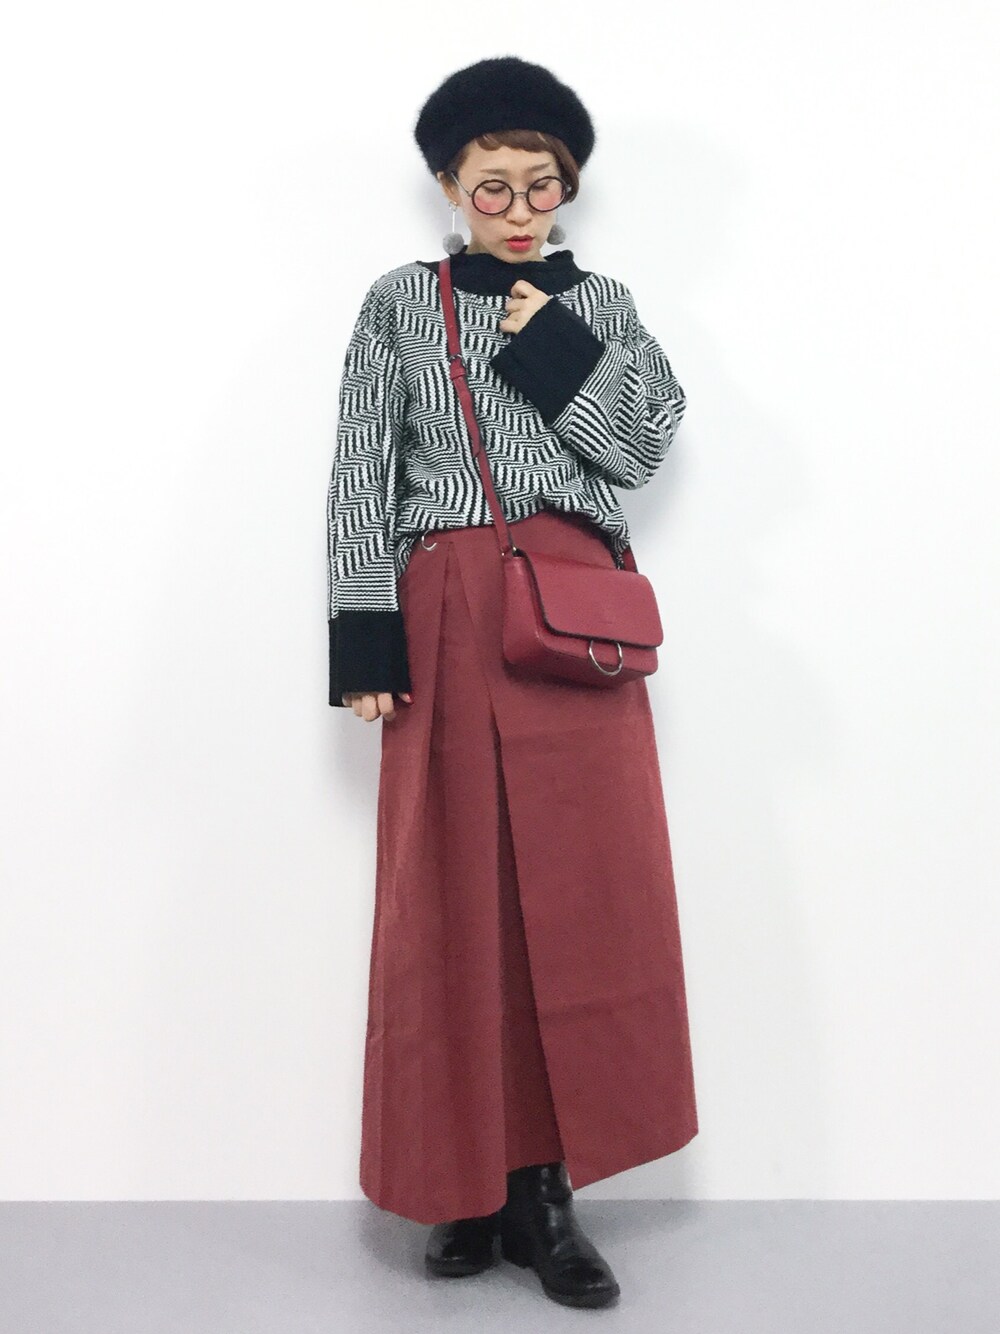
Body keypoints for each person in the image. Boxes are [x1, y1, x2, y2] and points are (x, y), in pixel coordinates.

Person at [326, 55, 698, 1310]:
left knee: (586, 902)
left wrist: (554, 346)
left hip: (574, 615)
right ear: (449, 184)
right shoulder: (400, 302)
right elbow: (360, 465)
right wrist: (364, 639)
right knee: (450, 899)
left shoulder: (603, 302)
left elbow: (641, 448)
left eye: (545, 185)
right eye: (494, 186)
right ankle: (465, 1183)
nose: (522, 209)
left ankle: (545, 1188)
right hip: (441, 611)